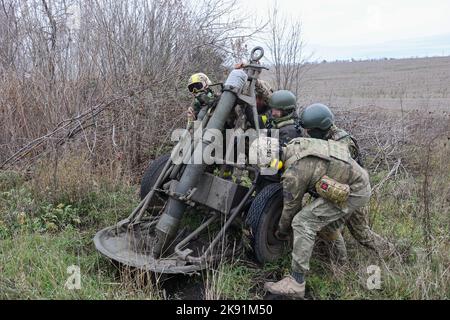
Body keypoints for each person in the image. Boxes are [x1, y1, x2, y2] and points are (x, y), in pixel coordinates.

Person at [260, 137, 372, 298]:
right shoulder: (295, 144)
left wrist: (281, 232)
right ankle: (341, 265)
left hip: (354, 191)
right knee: (327, 226)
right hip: (356, 179)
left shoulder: (294, 173)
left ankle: (296, 282)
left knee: (303, 222)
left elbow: (290, 209)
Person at [298, 103, 394, 257]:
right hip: (339, 192)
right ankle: (333, 257)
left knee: (359, 234)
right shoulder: (327, 137)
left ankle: (386, 253)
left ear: (319, 128)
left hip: (352, 193)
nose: (307, 134)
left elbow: (338, 174)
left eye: (310, 131)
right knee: (330, 227)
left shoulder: (342, 144)